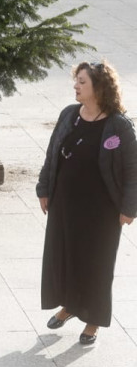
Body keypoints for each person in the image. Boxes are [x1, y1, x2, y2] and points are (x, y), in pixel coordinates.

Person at [38, 61, 137, 347]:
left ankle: (93, 320)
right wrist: (44, 188)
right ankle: (69, 306)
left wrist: (129, 208)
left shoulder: (118, 124)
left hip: (102, 211)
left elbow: (132, 170)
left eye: (82, 81)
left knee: (97, 264)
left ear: (99, 87)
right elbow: (52, 153)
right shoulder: (69, 114)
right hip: (65, 203)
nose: (76, 86)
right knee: (66, 256)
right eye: (76, 80)